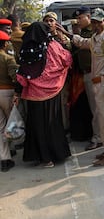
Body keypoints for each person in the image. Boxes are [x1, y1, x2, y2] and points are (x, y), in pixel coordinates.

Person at [58, 8, 104, 166]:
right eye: (94, 22)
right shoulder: (95, 39)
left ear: (103, 22)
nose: (96, 24)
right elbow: (81, 43)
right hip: (97, 83)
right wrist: (67, 33)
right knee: (102, 119)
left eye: (99, 22)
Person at [16, 22, 72, 168]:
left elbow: (22, 75)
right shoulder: (53, 45)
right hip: (53, 93)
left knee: (37, 126)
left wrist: (18, 92)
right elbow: (66, 60)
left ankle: (44, 158)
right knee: (53, 123)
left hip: (34, 96)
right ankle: (57, 154)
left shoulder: (27, 49)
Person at [73, 6, 102, 151]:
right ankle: (96, 135)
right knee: (92, 108)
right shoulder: (83, 31)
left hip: (95, 73)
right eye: (77, 18)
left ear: (89, 17)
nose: (78, 21)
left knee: (97, 108)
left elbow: (87, 44)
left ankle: (98, 138)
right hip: (85, 73)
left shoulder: (94, 31)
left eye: (80, 18)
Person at [0, 30, 19, 172]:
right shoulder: (8, 58)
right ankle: (12, 147)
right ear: (5, 43)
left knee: (0, 127)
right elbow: (14, 77)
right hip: (7, 92)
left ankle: (5, 158)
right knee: (10, 123)